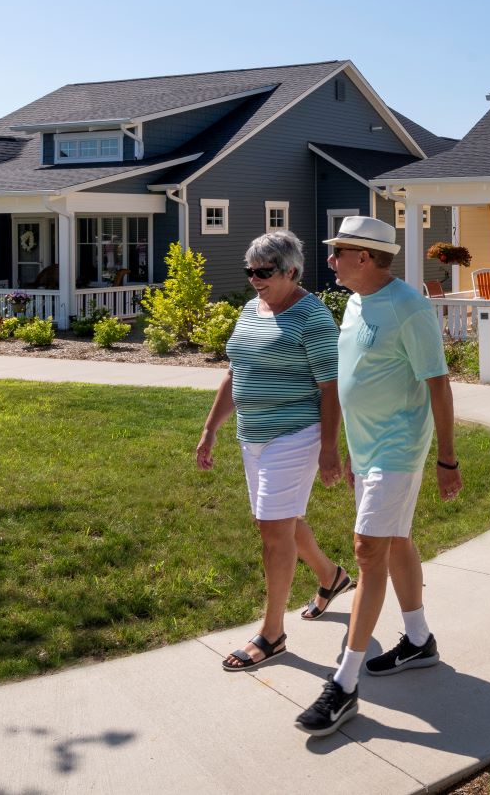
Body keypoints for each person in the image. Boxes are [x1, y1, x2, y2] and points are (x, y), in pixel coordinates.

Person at [294, 214, 461, 737]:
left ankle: (342, 685)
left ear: (364, 257)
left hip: (400, 447)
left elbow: (438, 385)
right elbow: (353, 378)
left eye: (337, 252)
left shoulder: (409, 309)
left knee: (368, 550)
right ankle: (418, 641)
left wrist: (447, 460)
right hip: (367, 449)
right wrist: (344, 445)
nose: (330, 259)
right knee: (396, 541)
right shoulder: (356, 301)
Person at [195, 229, 351, 672]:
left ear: (292, 271)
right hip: (253, 436)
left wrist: (328, 448)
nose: (255, 280)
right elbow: (235, 372)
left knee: (272, 529)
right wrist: (210, 429)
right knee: (280, 521)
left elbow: (330, 388)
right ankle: (330, 576)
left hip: (295, 435)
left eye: (264, 272)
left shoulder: (313, 319)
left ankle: (272, 633)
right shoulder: (251, 309)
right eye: (250, 271)